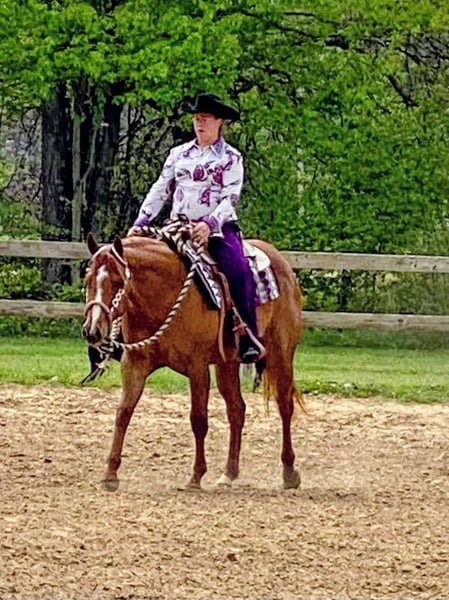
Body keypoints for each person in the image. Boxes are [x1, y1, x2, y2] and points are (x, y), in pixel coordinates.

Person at [128, 92, 265, 363]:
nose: (200, 123)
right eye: (197, 118)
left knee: (237, 269)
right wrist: (141, 222)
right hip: (177, 227)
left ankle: (247, 333)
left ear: (219, 122)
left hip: (217, 229)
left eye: (206, 118)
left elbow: (230, 197)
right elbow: (160, 189)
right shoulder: (178, 154)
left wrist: (209, 224)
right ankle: (126, 335)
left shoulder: (231, 158)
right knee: (140, 267)